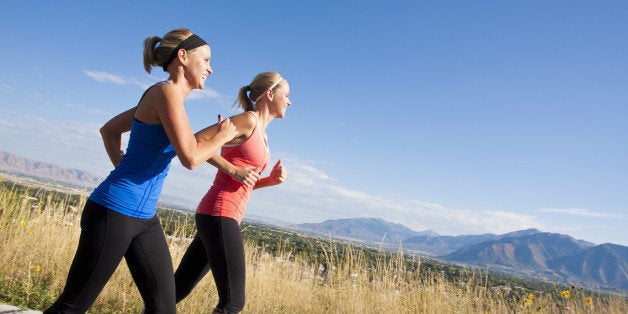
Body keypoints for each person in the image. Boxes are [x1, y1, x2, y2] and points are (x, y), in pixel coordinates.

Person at [45, 28, 242, 314]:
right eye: (207, 60)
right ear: (183, 57)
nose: (211, 69)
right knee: (72, 306)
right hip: (114, 211)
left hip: (145, 217)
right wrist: (224, 135)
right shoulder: (164, 92)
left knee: (163, 308)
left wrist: (123, 166)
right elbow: (190, 157)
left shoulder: (166, 98)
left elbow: (109, 130)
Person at [174, 71, 291, 313]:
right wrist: (232, 170)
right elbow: (194, 142)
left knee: (177, 289)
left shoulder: (263, 135)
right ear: (270, 94)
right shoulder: (247, 120)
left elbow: (244, 182)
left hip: (219, 214)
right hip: (220, 212)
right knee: (233, 302)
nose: (289, 101)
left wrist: (270, 180)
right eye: (286, 95)